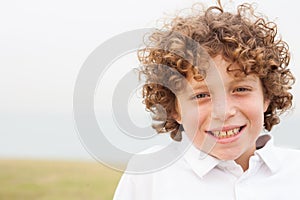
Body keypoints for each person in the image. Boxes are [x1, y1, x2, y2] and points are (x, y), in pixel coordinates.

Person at [113, 1, 300, 199]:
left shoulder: (294, 173)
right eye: (201, 95)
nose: (224, 111)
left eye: (241, 89)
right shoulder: (149, 175)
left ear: (267, 95)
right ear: (174, 109)